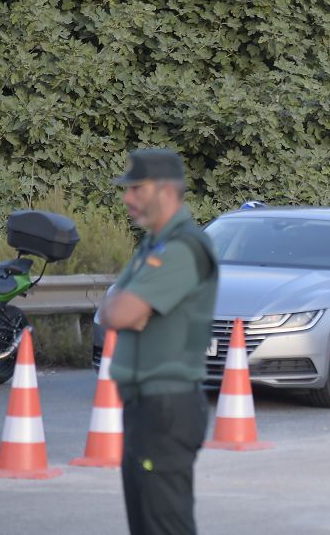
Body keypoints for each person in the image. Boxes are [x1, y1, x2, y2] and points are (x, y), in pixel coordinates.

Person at [99, 149, 218, 535]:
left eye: (136, 188)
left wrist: (130, 305)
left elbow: (119, 312)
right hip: (145, 407)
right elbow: (114, 307)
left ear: (165, 191)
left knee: (166, 525)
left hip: (166, 408)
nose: (127, 198)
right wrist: (129, 305)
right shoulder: (153, 245)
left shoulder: (183, 248)